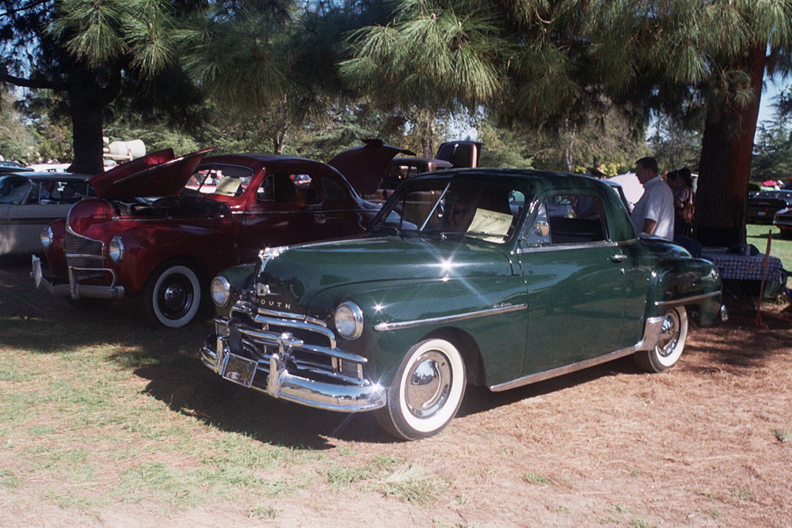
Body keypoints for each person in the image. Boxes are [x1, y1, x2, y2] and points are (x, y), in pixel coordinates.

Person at [630, 157, 674, 239]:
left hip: (654, 245)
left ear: (649, 172)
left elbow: (651, 220)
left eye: (639, 171)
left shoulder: (656, 189)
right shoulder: (658, 187)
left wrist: (643, 241)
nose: (636, 174)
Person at [666, 168, 694, 236]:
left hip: (680, 217)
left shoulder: (684, 190)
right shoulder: (687, 189)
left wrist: (677, 204)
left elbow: (677, 200)